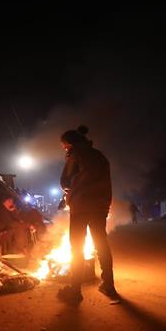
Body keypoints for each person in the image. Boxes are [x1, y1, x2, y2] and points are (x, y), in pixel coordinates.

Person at [57, 125, 118, 303]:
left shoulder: (75, 154)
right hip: (100, 206)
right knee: (102, 244)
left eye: (65, 146)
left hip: (81, 206)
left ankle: (75, 291)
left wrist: (68, 192)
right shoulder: (100, 156)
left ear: (69, 144)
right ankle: (109, 285)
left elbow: (65, 182)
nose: (65, 149)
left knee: (77, 246)